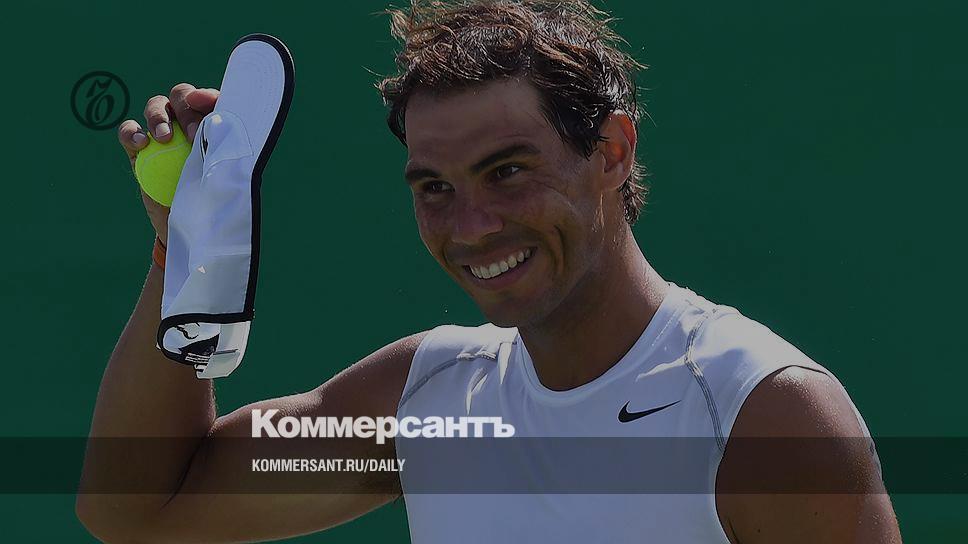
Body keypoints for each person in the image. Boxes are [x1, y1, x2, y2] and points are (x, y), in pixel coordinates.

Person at [77, 1, 902, 542]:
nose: (471, 227)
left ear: (612, 152)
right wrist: (182, 252)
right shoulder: (427, 403)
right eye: (435, 188)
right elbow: (140, 509)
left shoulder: (764, 414)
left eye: (508, 171)